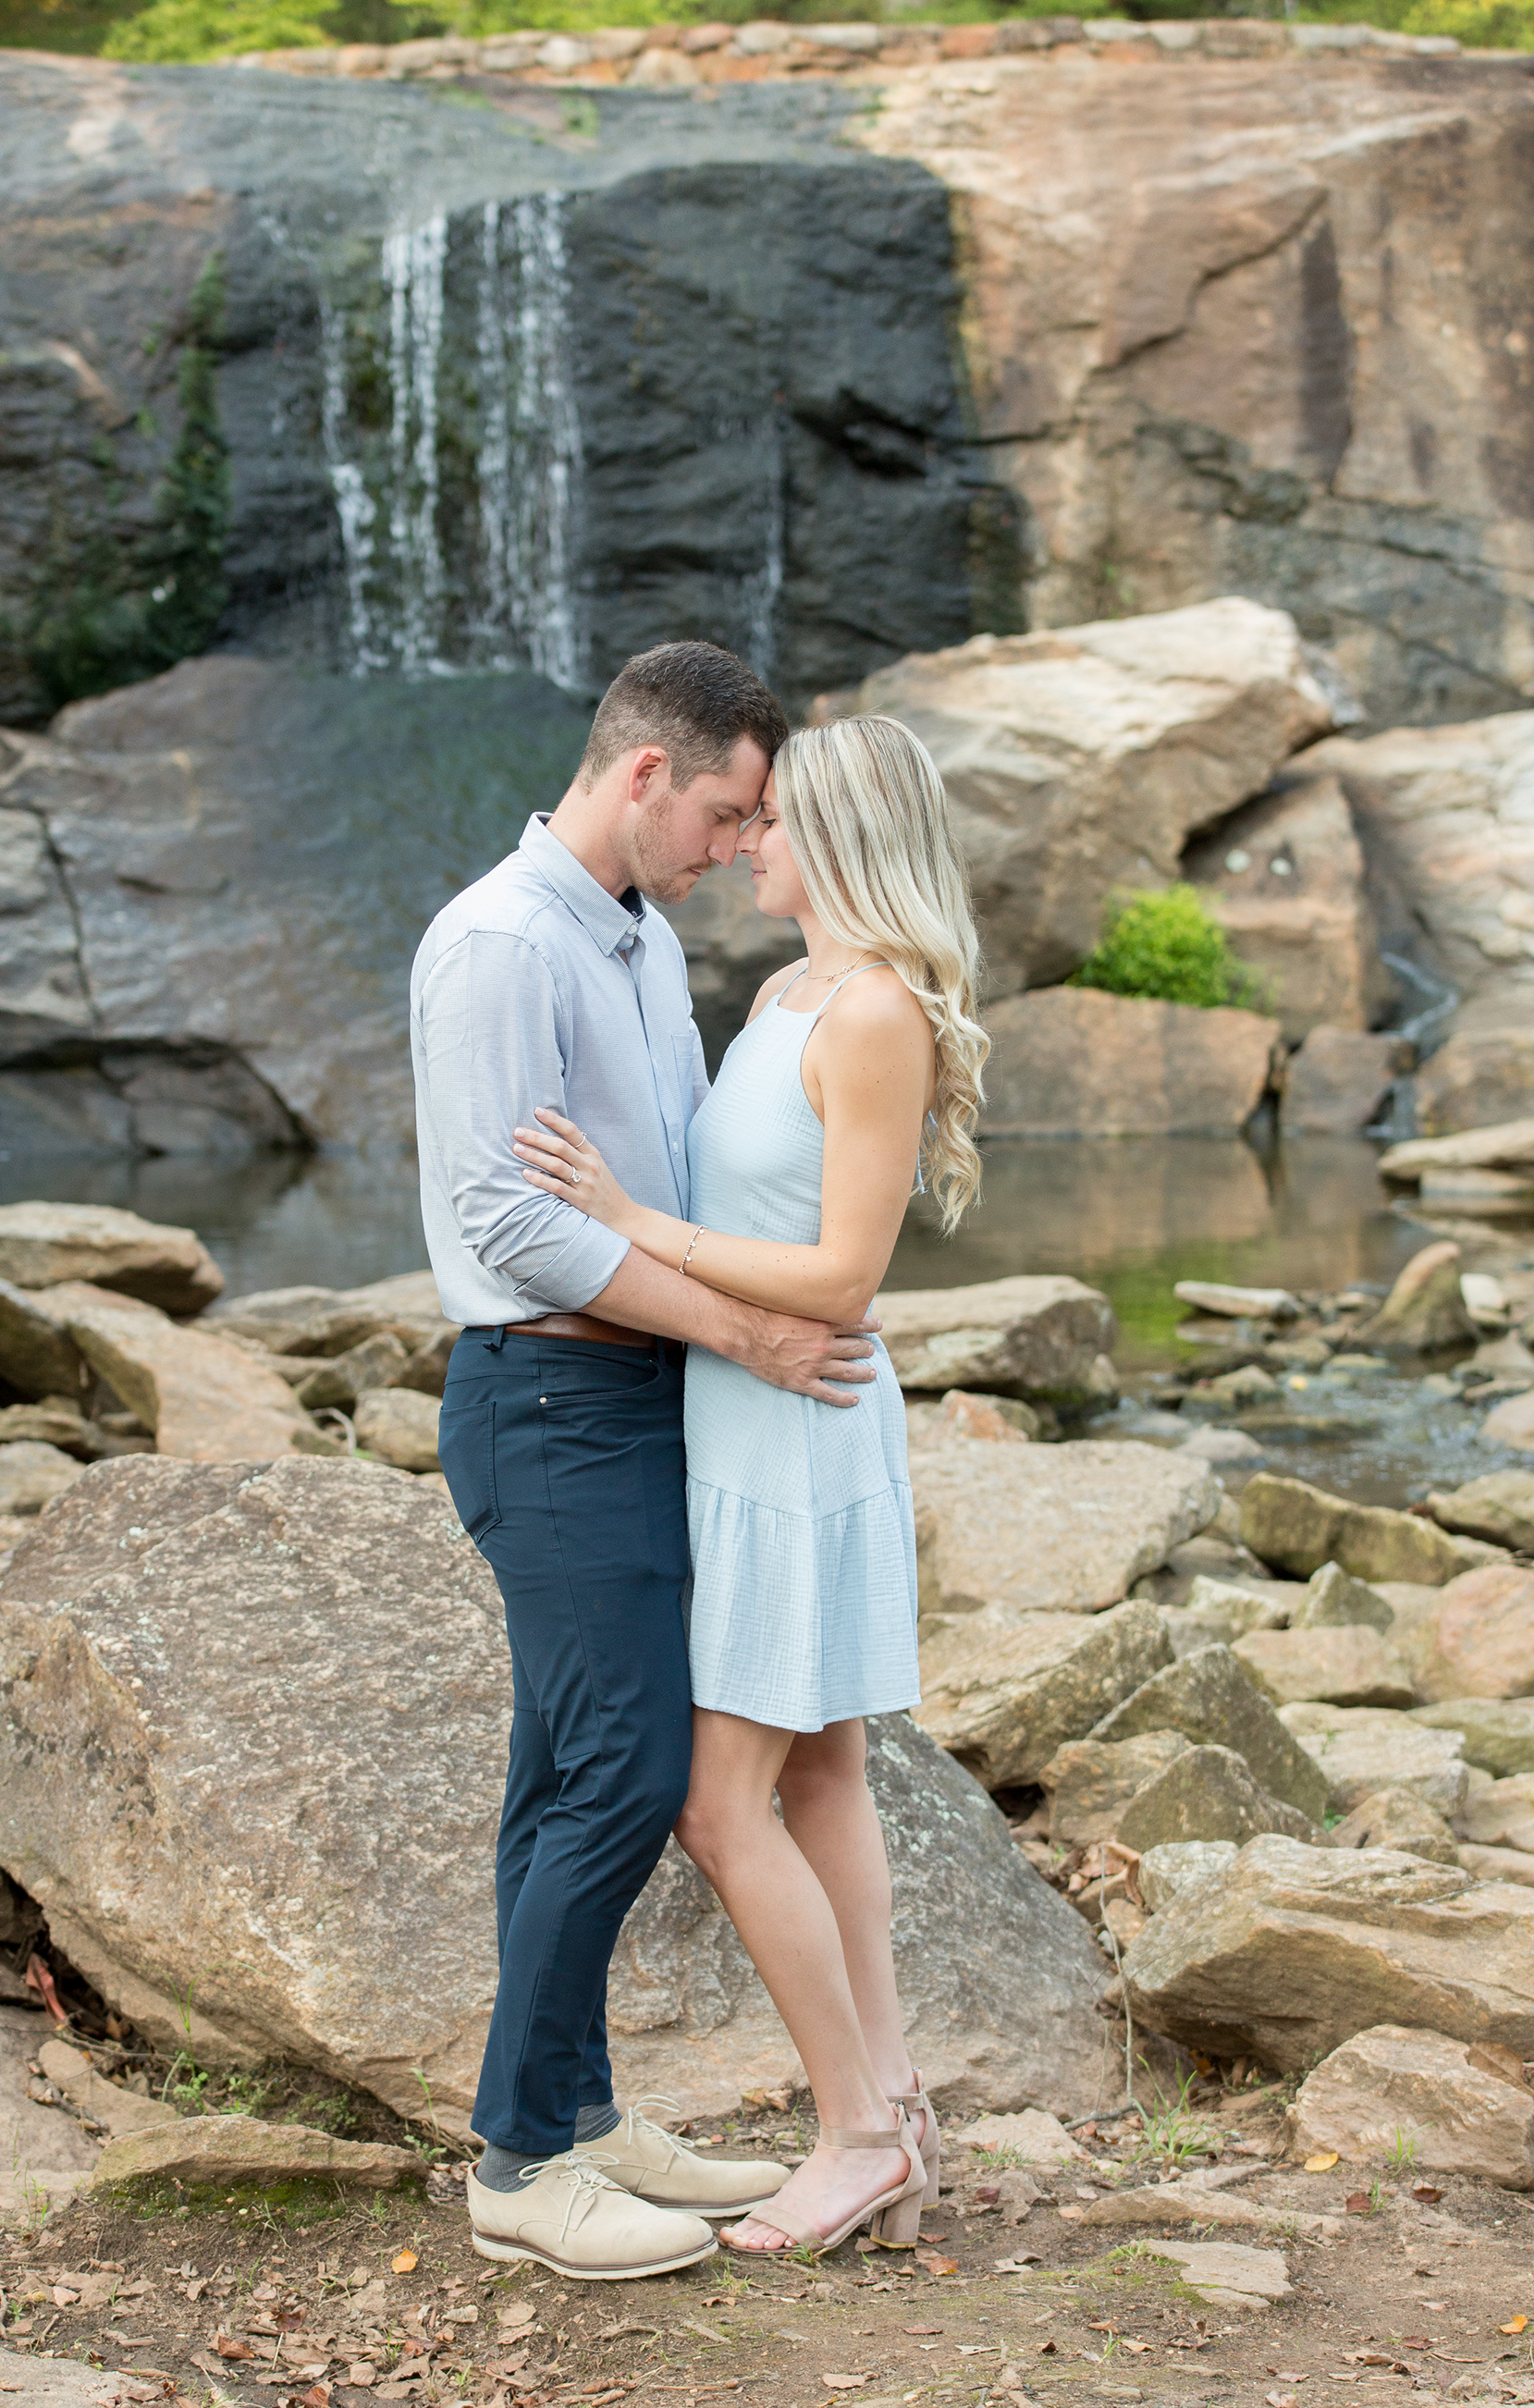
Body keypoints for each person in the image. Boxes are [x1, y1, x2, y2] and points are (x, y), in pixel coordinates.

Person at [412, 641, 888, 2281]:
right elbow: (502, 1221)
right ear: (643, 776)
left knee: (566, 1772)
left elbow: (666, 1180)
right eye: (727, 812)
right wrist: (748, 1335)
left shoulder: (636, 939)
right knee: (625, 1776)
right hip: (547, 1406)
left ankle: (581, 2110)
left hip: (639, 1407)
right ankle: (520, 2164)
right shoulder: (495, 945)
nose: (740, 846)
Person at [514, 712, 988, 2258]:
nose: (747, 844)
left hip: (794, 1431)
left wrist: (631, 1224)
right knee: (825, 1771)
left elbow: (846, 1275)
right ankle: (896, 2107)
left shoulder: (870, 1014)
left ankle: (850, 2132)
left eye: (772, 822)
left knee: (723, 1812)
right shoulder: (787, 992)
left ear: (839, 839)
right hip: (748, 1420)